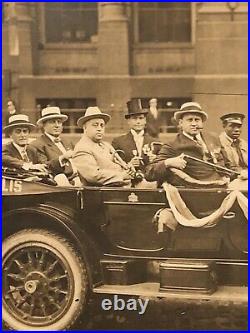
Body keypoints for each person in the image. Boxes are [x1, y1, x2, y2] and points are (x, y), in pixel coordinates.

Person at [145, 102, 228, 187]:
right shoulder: (172, 145)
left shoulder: (213, 138)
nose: (194, 124)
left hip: (222, 186)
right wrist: (168, 162)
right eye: (189, 120)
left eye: (197, 120)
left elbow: (228, 165)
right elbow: (149, 172)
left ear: (202, 123)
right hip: (197, 191)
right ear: (181, 123)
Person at [73, 107, 134, 186]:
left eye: (102, 125)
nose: (99, 129)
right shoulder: (82, 148)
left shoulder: (106, 145)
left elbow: (120, 164)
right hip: (99, 193)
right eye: (95, 125)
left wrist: (128, 168)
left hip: (116, 188)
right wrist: (122, 175)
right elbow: (94, 175)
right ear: (85, 128)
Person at [31, 106, 79, 185]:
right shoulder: (37, 145)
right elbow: (44, 168)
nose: (57, 125)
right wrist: (62, 158)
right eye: (52, 122)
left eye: (59, 122)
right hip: (60, 183)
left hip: (79, 179)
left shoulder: (68, 142)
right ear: (44, 125)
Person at [112, 99, 160, 176]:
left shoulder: (155, 143)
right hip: (128, 183)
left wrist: (156, 160)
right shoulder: (118, 142)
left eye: (141, 118)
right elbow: (112, 165)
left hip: (150, 184)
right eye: (134, 118)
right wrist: (129, 164)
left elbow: (163, 165)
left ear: (145, 121)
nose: (138, 122)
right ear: (128, 121)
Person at [219, 113, 247, 178]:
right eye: (232, 126)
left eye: (239, 126)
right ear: (224, 126)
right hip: (229, 179)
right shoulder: (218, 143)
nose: (237, 130)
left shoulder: (243, 143)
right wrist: (241, 173)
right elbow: (220, 168)